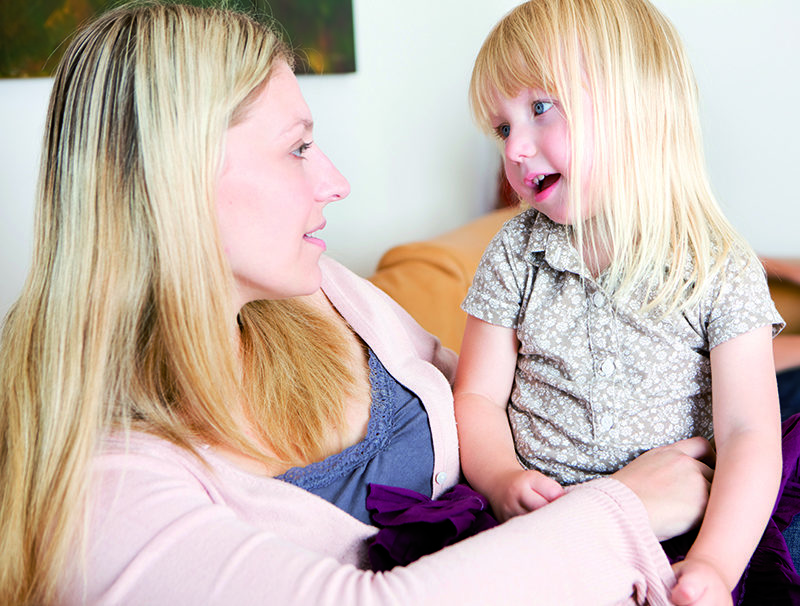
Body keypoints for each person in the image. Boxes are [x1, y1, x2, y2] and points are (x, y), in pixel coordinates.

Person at [0, 3, 716, 605]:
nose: (336, 182)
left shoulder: (317, 289)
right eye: (298, 148)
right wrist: (626, 508)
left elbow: (498, 393)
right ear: (174, 178)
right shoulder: (97, 493)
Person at [454, 1, 785, 604]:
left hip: (675, 534)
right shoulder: (514, 252)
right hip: (542, 529)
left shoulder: (720, 265)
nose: (516, 149)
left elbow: (747, 434)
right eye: (502, 129)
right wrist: (501, 478)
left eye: (539, 108)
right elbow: (476, 396)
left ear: (634, 105)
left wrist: (714, 563)